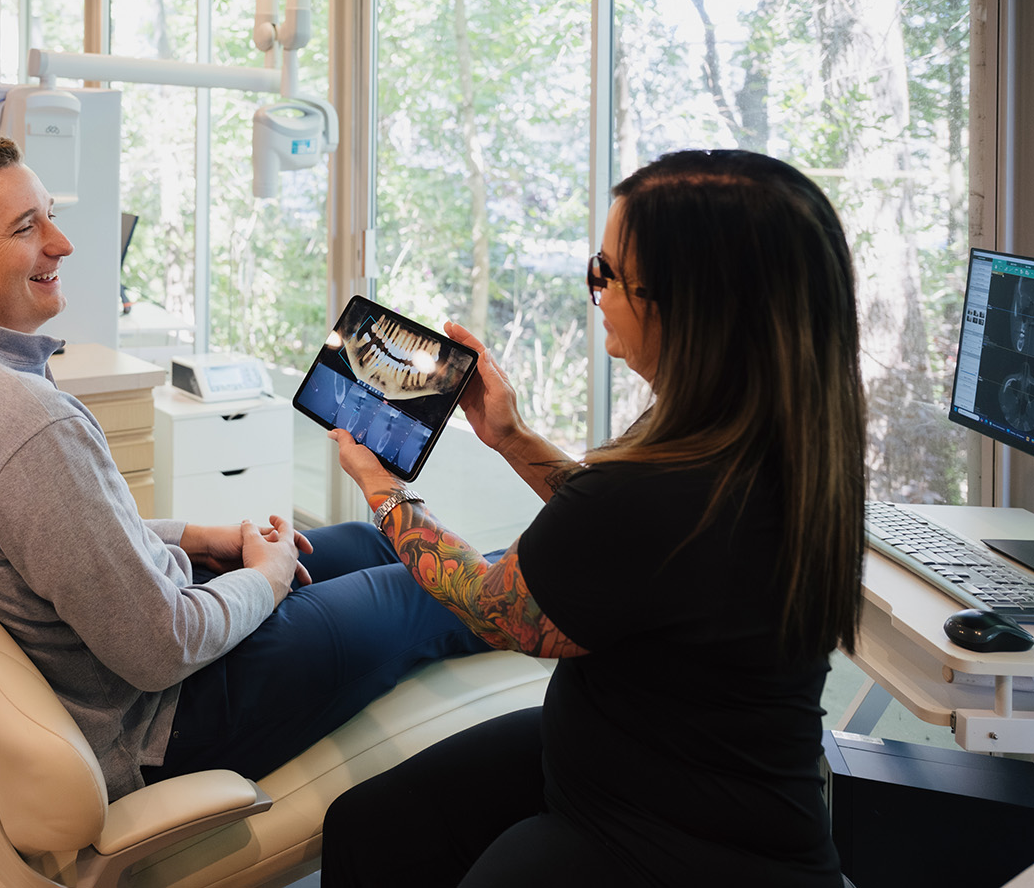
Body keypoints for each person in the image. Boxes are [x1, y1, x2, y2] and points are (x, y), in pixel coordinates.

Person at [0, 137, 489, 800]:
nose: (62, 242)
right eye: (27, 227)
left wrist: (195, 538)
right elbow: (159, 648)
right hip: (163, 718)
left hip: (134, 652)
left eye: (50, 215)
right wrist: (268, 577)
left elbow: (64, 544)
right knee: (428, 591)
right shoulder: (23, 422)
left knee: (375, 541)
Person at [320, 149, 865, 887]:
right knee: (372, 825)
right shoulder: (779, 443)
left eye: (606, 274)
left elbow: (495, 610)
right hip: (682, 776)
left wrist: (382, 489)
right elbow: (638, 545)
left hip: (662, 836)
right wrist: (511, 437)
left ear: (689, 304)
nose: (595, 292)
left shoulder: (659, 486)